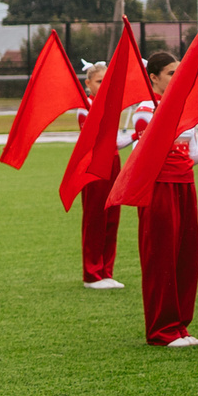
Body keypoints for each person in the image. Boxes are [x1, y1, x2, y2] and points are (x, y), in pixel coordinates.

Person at [122, 51, 198, 348]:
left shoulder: (184, 108)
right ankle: (161, 329)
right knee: (161, 257)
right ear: (153, 78)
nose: (177, 78)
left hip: (186, 186)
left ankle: (180, 324)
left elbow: (192, 155)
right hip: (158, 188)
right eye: (171, 73)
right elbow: (148, 154)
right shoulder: (145, 111)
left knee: (186, 257)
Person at [77, 62, 124, 290]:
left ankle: (106, 271)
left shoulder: (110, 105)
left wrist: (138, 135)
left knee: (112, 217)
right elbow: (96, 139)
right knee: (95, 218)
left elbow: (115, 142)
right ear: (88, 83)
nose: (104, 85)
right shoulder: (85, 107)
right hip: (94, 165)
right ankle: (92, 273)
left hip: (113, 162)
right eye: (99, 81)